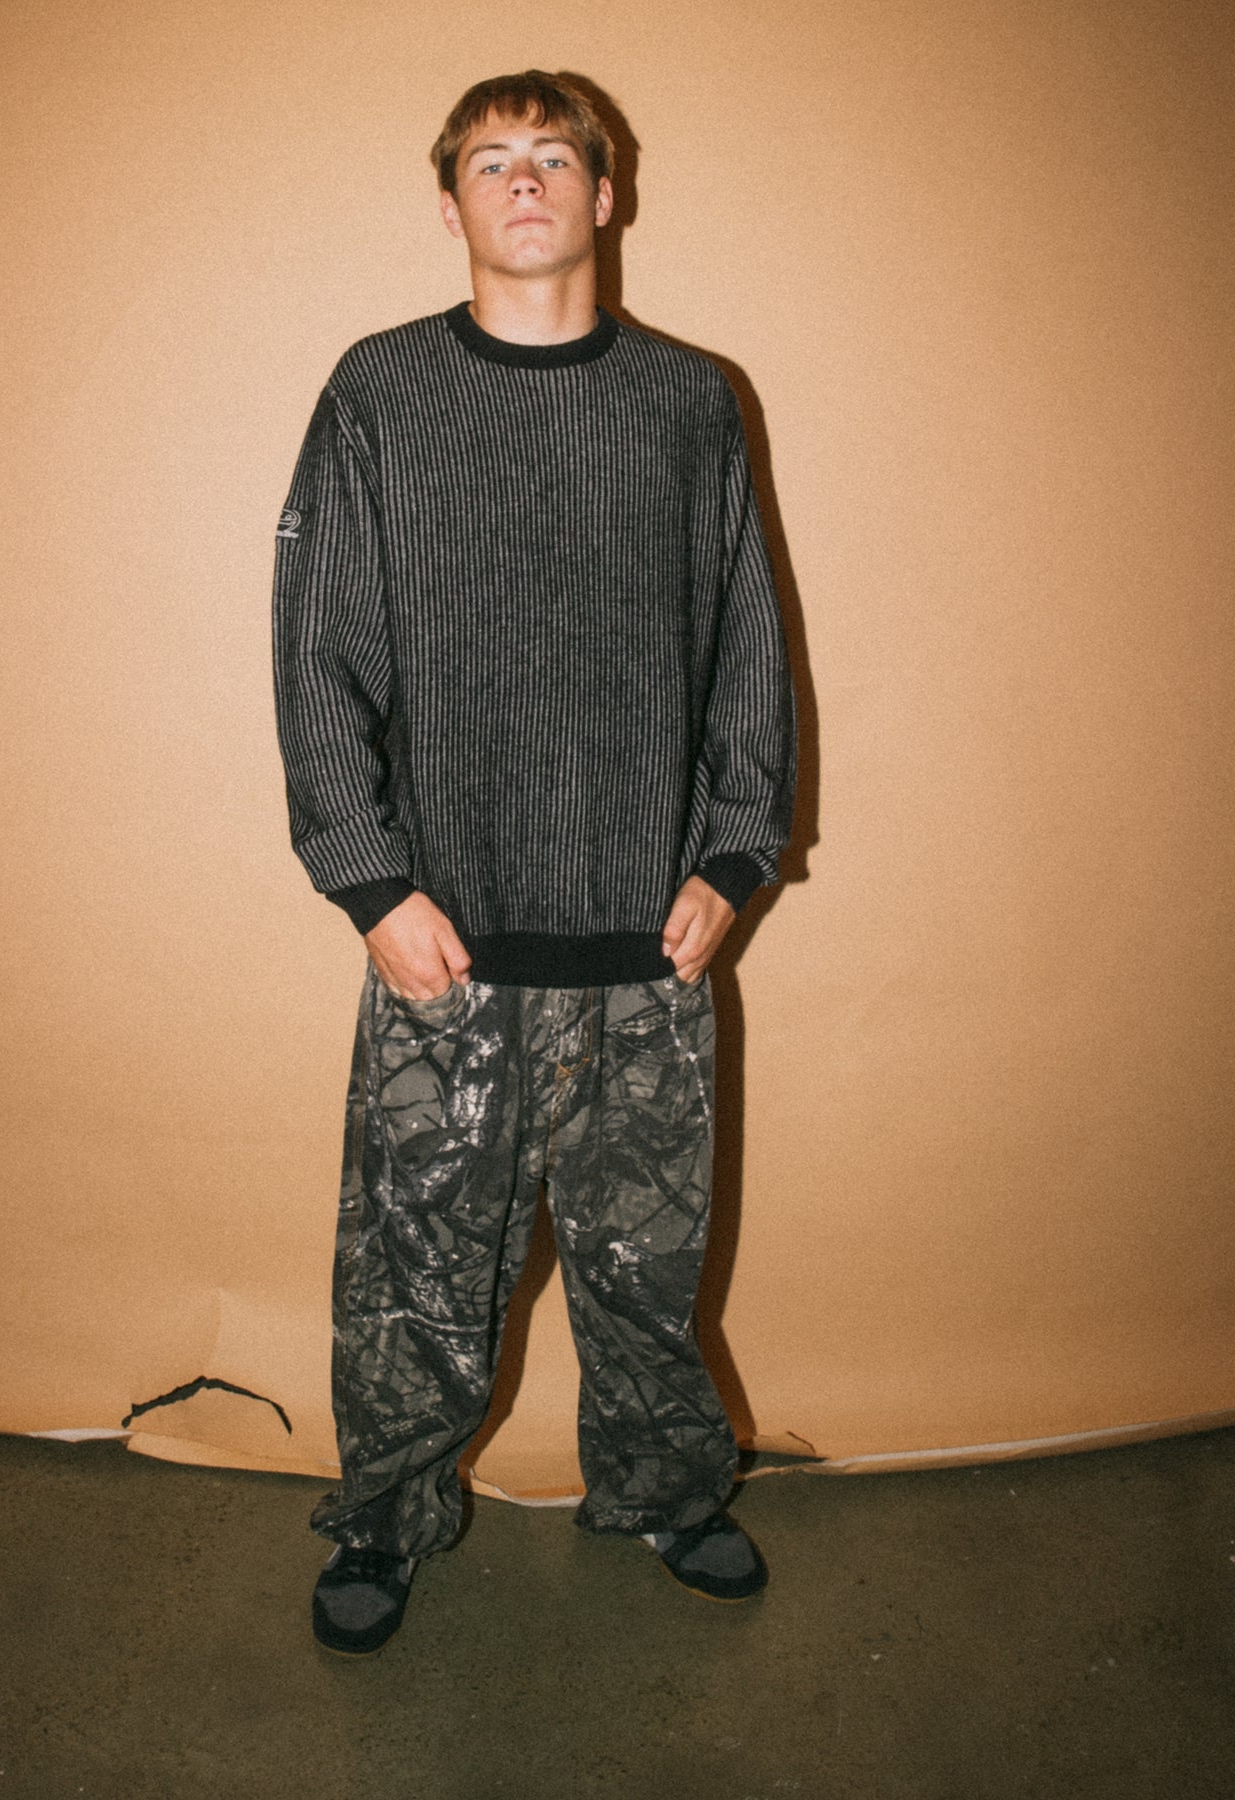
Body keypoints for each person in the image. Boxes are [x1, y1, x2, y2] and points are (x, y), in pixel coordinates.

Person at [272, 69, 795, 1656]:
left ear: (603, 195)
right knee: (416, 1276)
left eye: (552, 156)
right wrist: (370, 883)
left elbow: (748, 640)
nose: (522, 180)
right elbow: (319, 650)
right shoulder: (378, 393)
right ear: (451, 206)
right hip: (448, 944)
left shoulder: (691, 401)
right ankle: (385, 1515)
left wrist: (734, 852)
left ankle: (668, 1490)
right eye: (489, 161)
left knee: (647, 1271)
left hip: (649, 943)